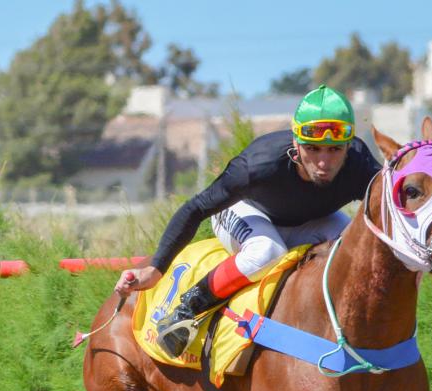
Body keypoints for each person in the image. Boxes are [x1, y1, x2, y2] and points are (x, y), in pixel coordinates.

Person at [115, 85, 382, 357]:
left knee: (352, 247)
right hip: (246, 212)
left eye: (334, 150)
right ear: (295, 142)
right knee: (269, 249)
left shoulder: (361, 166)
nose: (324, 162)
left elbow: (390, 214)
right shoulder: (258, 165)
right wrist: (156, 269)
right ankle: (186, 312)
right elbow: (196, 208)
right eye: (313, 149)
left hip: (310, 221)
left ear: (349, 146)